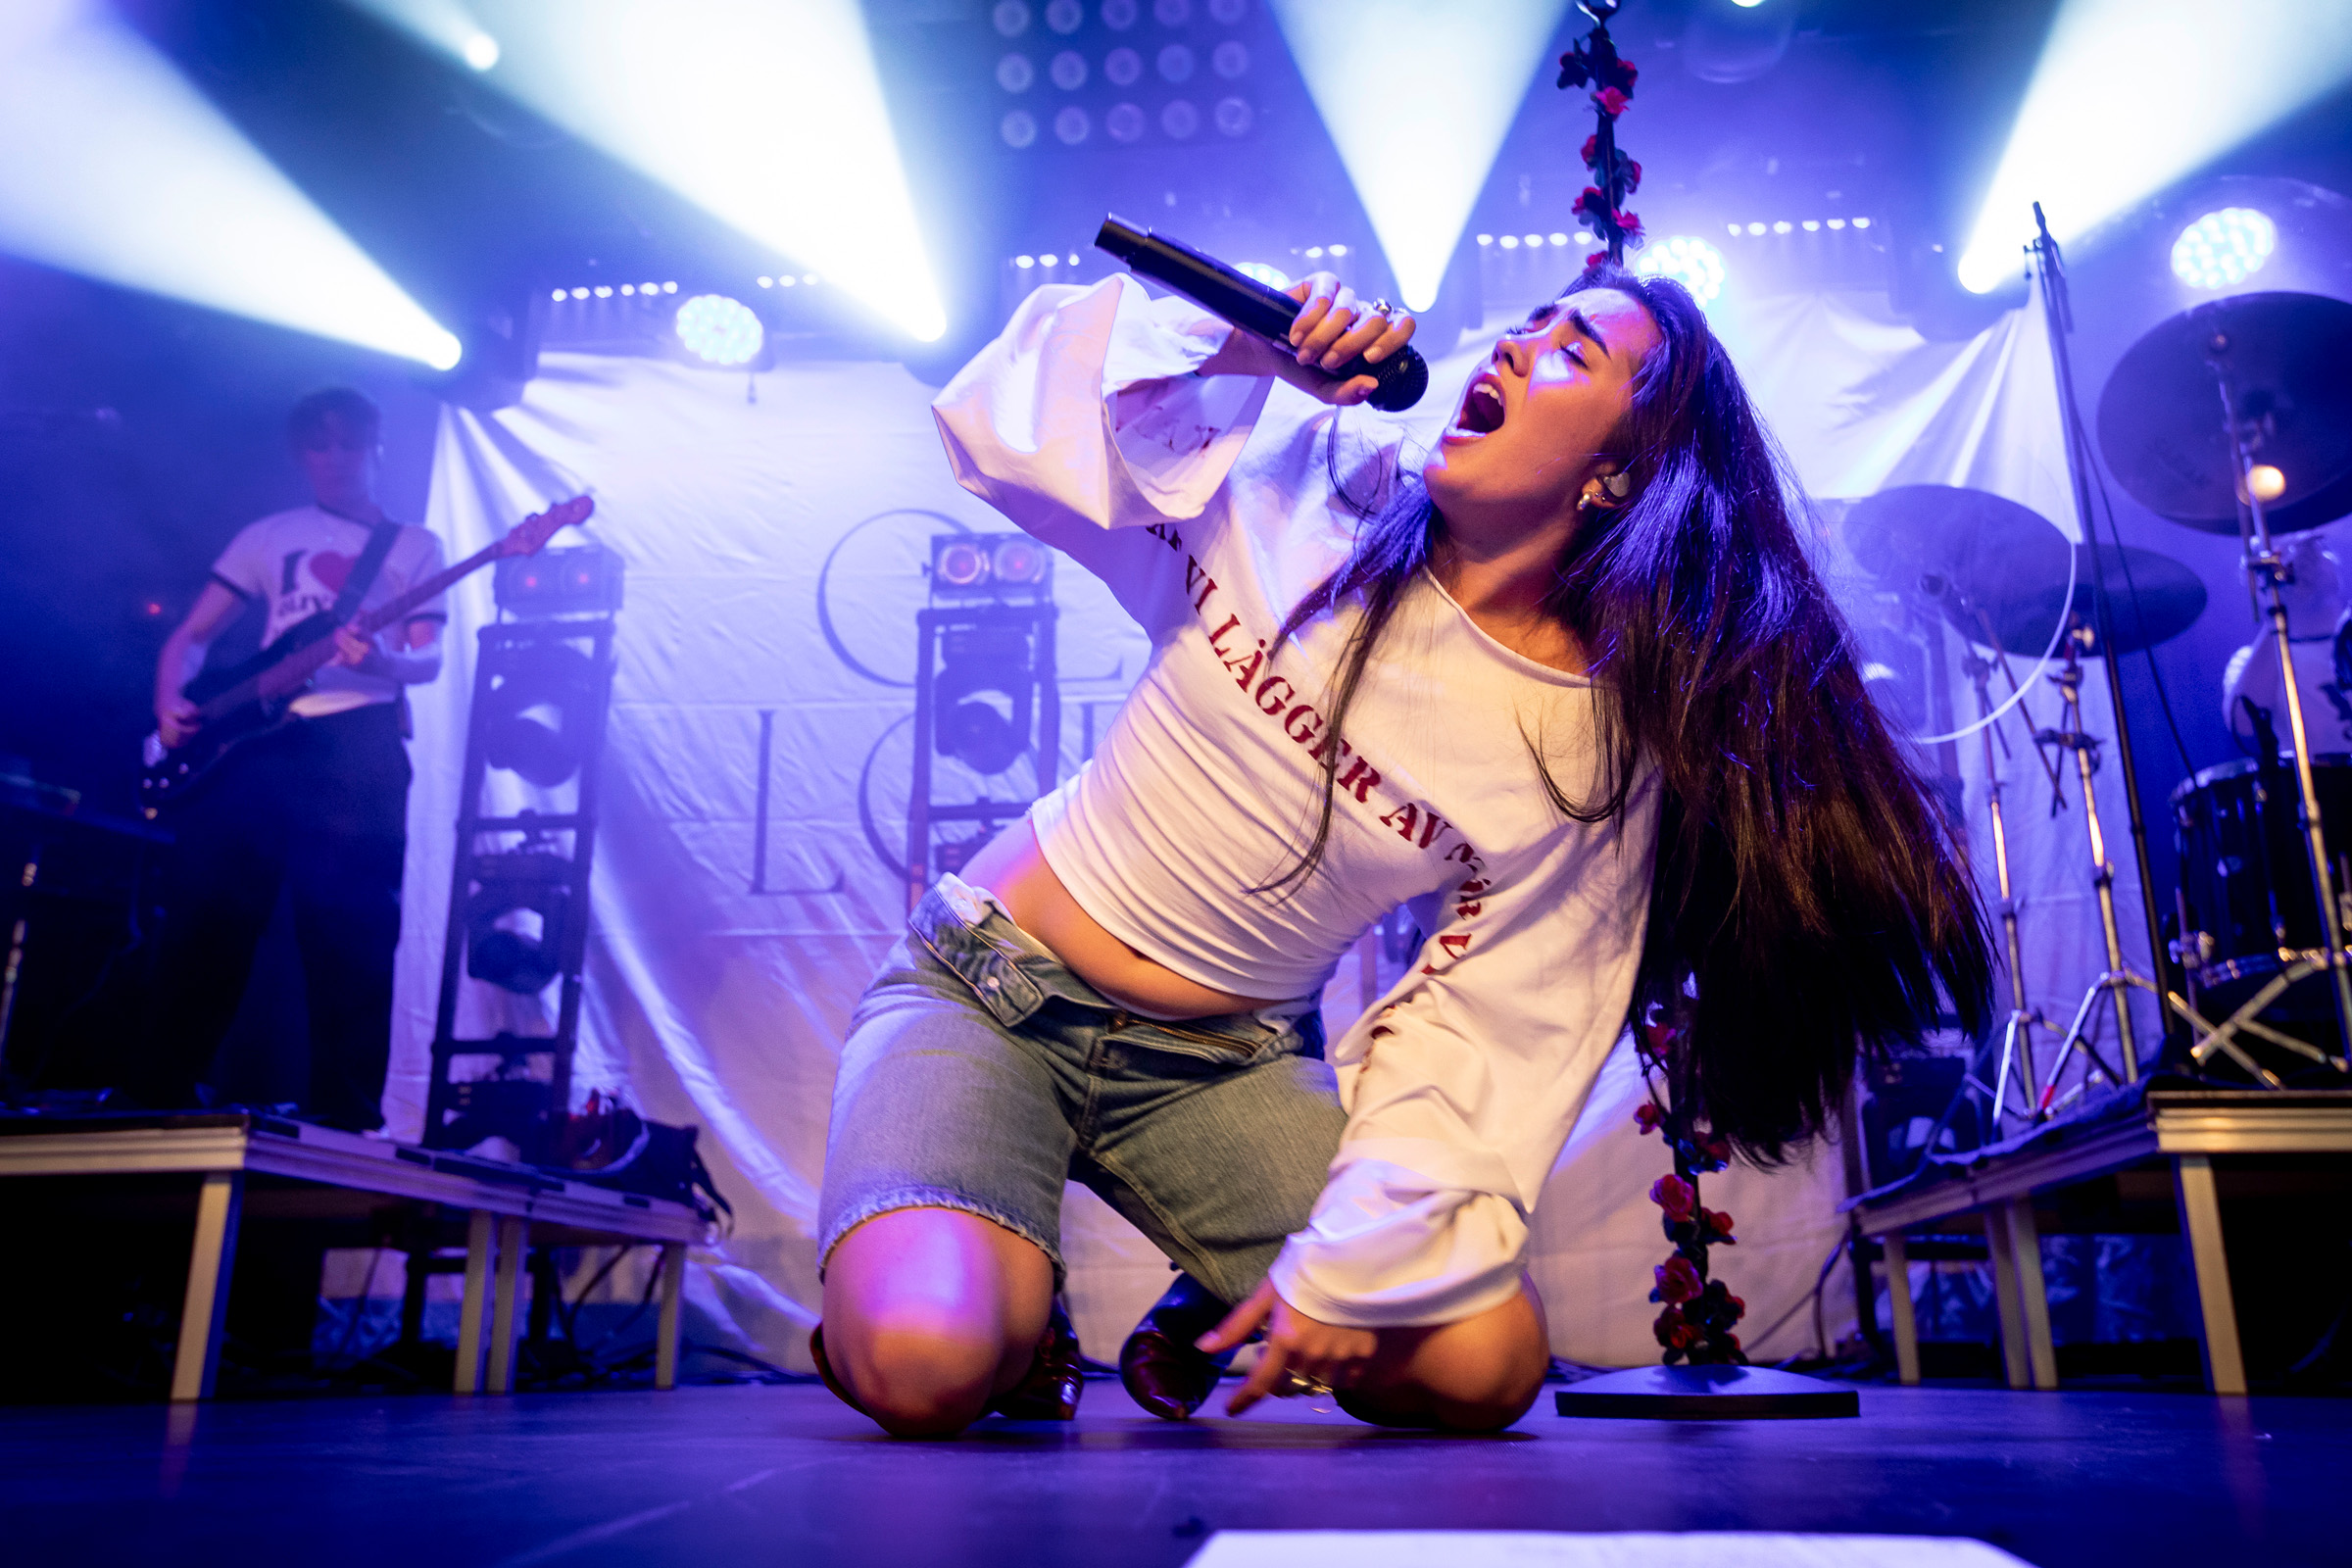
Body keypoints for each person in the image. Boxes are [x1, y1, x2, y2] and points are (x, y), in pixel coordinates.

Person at [812, 263, 1991, 1437]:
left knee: (1484, 1366)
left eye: (1572, 351)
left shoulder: (1587, 748)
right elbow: (1005, 429)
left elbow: (1485, 1026)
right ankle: (1005, 1301)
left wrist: (1347, 1263)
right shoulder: (1321, 477)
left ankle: (1185, 1286)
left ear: (1617, 473)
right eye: (1528, 324)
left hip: (1220, 1072)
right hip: (992, 995)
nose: (1517, 346)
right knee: (928, 1364)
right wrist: (1240, 351)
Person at [132, 387, 446, 1132]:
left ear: (377, 450)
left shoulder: (414, 546)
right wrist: (169, 701)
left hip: (358, 743)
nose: (334, 458)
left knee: (351, 928)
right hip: (257, 744)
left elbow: (428, 659)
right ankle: (159, 1088)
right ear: (302, 455)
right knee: (207, 914)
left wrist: (382, 663)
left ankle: (345, 1113)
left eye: (349, 443)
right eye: (319, 444)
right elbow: (194, 635)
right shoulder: (268, 535)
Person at [2220, 531, 2352, 755]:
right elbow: (2244, 723)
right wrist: (2282, 606)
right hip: (2318, 777)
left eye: (2314, 550)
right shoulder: (2247, 660)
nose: (2305, 568)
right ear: (2260, 588)